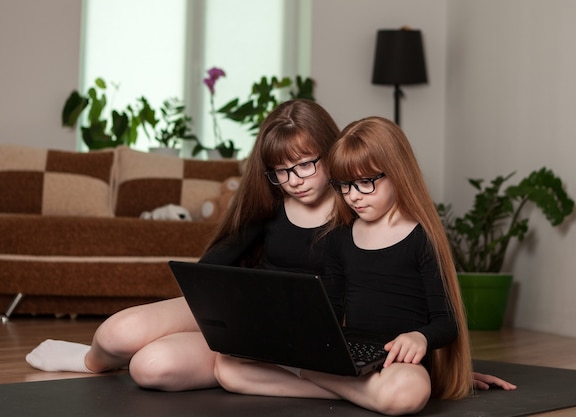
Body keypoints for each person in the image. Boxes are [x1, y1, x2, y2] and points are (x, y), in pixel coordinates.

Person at [26, 100, 515, 394]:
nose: (295, 181)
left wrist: (446, 361)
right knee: (116, 334)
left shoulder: (360, 210)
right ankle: (86, 362)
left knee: (153, 368)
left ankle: (249, 369)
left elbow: (395, 297)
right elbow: (212, 269)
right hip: (241, 308)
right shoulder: (269, 203)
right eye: (281, 171)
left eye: (306, 165)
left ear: (332, 150)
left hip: (293, 335)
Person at [212, 116, 514, 415]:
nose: (353, 196)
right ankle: (357, 393)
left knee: (407, 393)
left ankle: (331, 385)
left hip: (398, 363)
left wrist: (419, 337)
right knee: (228, 368)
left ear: (397, 173)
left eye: (365, 183)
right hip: (351, 356)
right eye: (344, 186)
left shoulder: (421, 239)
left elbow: (446, 322)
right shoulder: (339, 237)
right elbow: (330, 309)